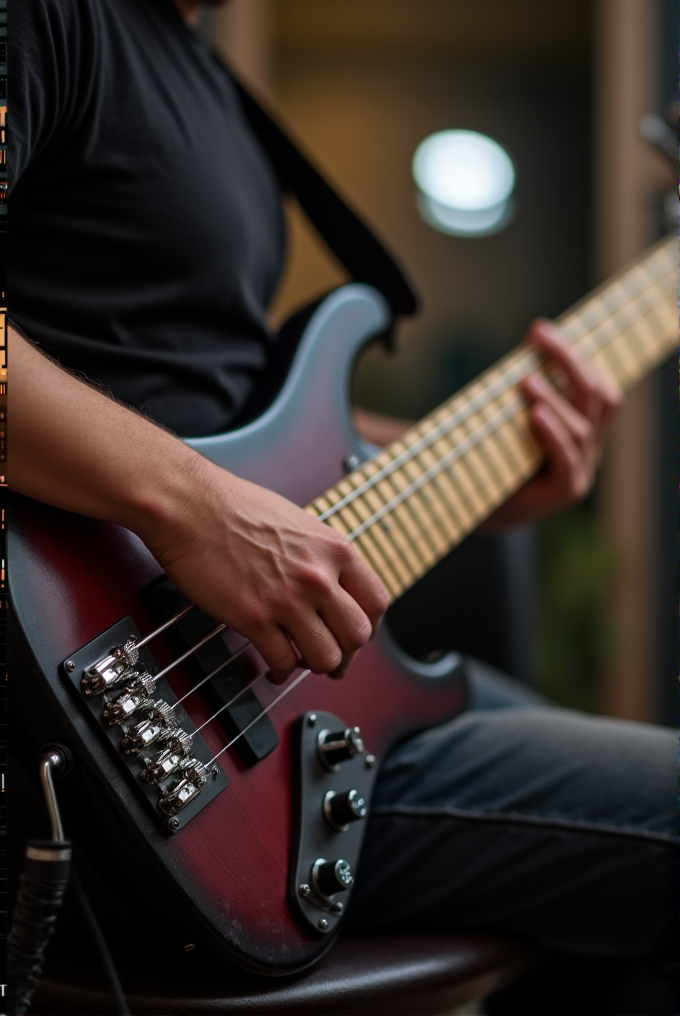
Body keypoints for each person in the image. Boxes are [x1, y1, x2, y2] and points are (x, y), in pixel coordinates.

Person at [9, 0, 677, 1012]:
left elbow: (231, 416)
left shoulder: (198, 71)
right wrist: (194, 506)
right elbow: (213, 489)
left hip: (259, 704)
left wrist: (506, 468)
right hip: (98, 720)